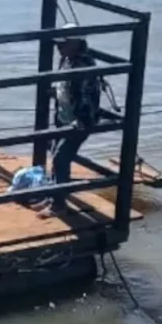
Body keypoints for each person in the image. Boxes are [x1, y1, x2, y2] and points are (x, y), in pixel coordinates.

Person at [36, 24, 101, 219]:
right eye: (59, 44)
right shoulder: (66, 60)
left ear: (76, 43)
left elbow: (87, 98)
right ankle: (53, 196)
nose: (59, 47)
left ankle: (59, 205)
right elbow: (65, 87)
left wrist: (81, 121)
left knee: (61, 158)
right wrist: (54, 93)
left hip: (79, 121)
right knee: (56, 154)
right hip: (63, 117)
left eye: (63, 43)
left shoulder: (84, 66)